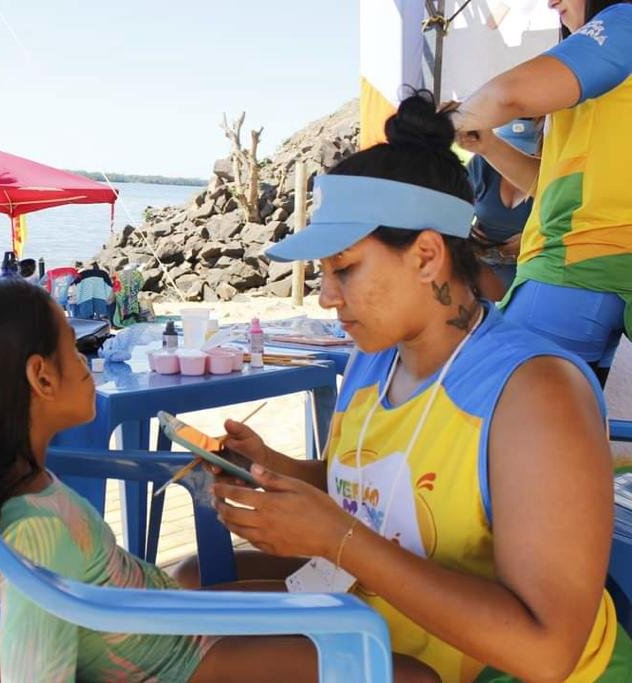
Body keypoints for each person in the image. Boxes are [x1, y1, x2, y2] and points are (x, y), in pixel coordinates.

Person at [202, 92, 629, 681]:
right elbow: (377, 486)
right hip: (395, 631)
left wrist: (339, 540)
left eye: (344, 268)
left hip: (499, 667)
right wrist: (273, 468)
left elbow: (546, 651)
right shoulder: (376, 359)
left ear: (427, 255)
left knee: (198, 647)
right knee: (188, 587)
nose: (326, 296)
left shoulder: (535, 394)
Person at [0, 278, 443, 682]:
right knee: (412, 676)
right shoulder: (36, 530)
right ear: (42, 377)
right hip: (182, 660)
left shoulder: (33, 487)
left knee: (344, 610)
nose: (88, 361)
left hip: (175, 627)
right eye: (75, 348)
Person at [452, 0, 632, 384]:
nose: (552, 2)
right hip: (601, 264)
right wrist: (487, 145)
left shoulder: (624, 21)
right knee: (576, 424)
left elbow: (508, 94)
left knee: (504, 403)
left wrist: (445, 123)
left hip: (576, 264)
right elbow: (547, 184)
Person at [466, 118, 539, 300]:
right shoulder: (481, 165)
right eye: (509, 150)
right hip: (482, 263)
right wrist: (466, 233)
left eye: (524, 153)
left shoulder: (554, 174)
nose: (515, 160)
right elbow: (450, 209)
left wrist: (536, 237)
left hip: (532, 268)